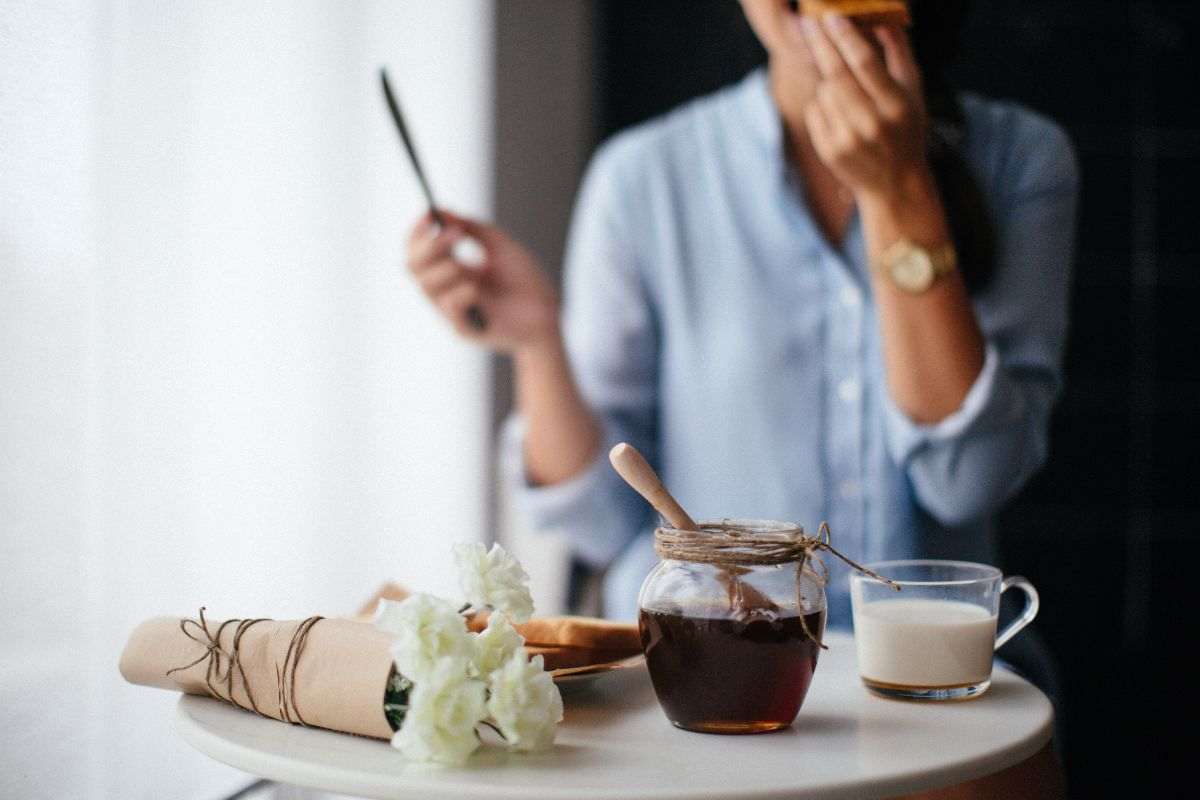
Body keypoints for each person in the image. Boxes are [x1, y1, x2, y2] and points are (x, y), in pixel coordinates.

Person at [405, 1, 1076, 633]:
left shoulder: (1022, 160)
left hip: (932, 690)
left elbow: (968, 480)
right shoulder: (642, 179)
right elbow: (599, 523)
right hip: (706, 681)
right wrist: (535, 341)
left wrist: (898, 190)